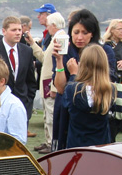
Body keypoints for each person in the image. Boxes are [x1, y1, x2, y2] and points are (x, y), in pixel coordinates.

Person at [50, 9, 116, 151]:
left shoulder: (103, 51)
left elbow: (105, 82)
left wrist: (75, 75)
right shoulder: (64, 51)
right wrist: (60, 62)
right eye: (76, 32)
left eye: (84, 33)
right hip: (67, 111)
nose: (79, 37)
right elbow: (60, 88)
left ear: (92, 33)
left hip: (94, 109)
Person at [64, 44, 118, 148]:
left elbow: (65, 104)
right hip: (102, 146)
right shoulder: (111, 89)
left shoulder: (73, 89)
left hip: (77, 145)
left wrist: (73, 76)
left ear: (82, 64)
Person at [36, 11, 65, 152]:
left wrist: (55, 87)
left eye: (48, 25)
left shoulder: (60, 39)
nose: (47, 28)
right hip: (48, 83)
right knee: (47, 115)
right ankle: (49, 141)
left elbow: (60, 63)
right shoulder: (55, 38)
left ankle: (52, 143)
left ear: (53, 25)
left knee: (51, 116)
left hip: (51, 83)